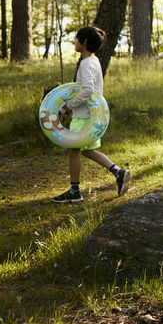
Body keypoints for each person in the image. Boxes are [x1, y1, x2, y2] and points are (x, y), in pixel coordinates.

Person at [51, 26, 132, 203]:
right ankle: (118, 173)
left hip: (83, 116)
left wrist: (69, 105)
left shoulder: (86, 64)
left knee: (73, 151)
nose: (75, 42)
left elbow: (87, 89)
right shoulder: (94, 60)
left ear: (84, 42)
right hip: (90, 115)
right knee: (88, 151)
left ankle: (74, 191)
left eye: (76, 39)